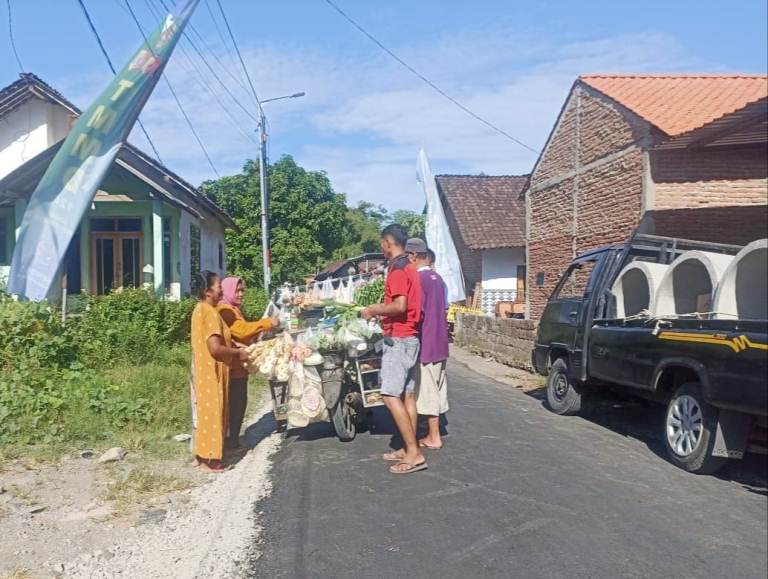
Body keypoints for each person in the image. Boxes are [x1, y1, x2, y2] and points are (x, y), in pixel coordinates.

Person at [361, 224, 426, 475]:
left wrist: (373, 309)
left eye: (382, 243)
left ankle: (414, 454)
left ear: (388, 242)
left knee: (389, 395)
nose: (381, 247)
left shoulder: (398, 269)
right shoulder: (409, 266)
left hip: (398, 340)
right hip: (410, 337)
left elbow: (400, 305)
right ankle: (408, 447)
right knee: (407, 395)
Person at [190, 271, 250, 473]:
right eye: (219, 288)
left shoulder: (200, 309)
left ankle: (201, 456)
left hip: (205, 369)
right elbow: (214, 348)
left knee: (205, 414)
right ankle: (211, 460)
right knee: (213, 414)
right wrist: (237, 353)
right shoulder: (209, 312)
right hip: (211, 371)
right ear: (207, 291)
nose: (221, 291)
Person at [217, 277, 279, 450]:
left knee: (239, 403)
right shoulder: (225, 310)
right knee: (235, 404)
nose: (241, 294)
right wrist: (267, 323)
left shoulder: (234, 309)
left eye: (242, 290)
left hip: (239, 366)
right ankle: (231, 442)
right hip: (232, 366)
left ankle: (233, 439)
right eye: (237, 291)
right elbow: (241, 331)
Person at [409, 243, 450, 449]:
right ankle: (431, 429)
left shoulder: (419, 280)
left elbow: (418, 313)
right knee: (438, 386)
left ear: (415, 256)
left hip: (427, 343)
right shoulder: (439, 279)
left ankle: (434, 436)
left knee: (427, 390)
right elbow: (445, 307)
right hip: (441, 342)